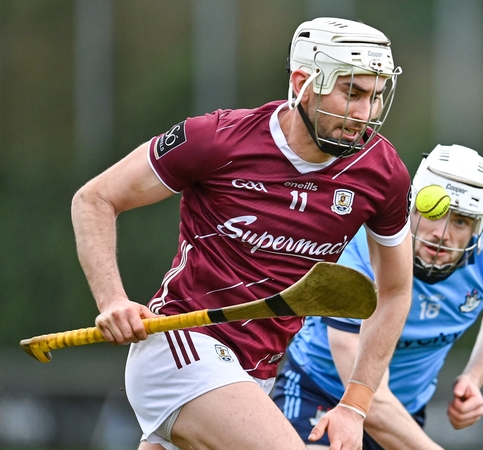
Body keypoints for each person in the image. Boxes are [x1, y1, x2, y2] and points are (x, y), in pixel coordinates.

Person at [70, 17, 412, 450]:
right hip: (182, 347)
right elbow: (94, 199)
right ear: (303, 83)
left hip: (257, 373)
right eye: (352, 94)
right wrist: (112, 300)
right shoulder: (216, 139)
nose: (364, 114)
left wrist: (355, 405)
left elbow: (395, 290)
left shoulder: (382, 173)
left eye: (375, 96)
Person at [273, 144, 483, 449]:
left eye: (461, 221)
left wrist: (474, 377)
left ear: (478, 228)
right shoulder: (362, 249)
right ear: (412, 205)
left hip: (405, 414)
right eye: (435, 212)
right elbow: (369, 402)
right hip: (323, 394)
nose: (442, 234)